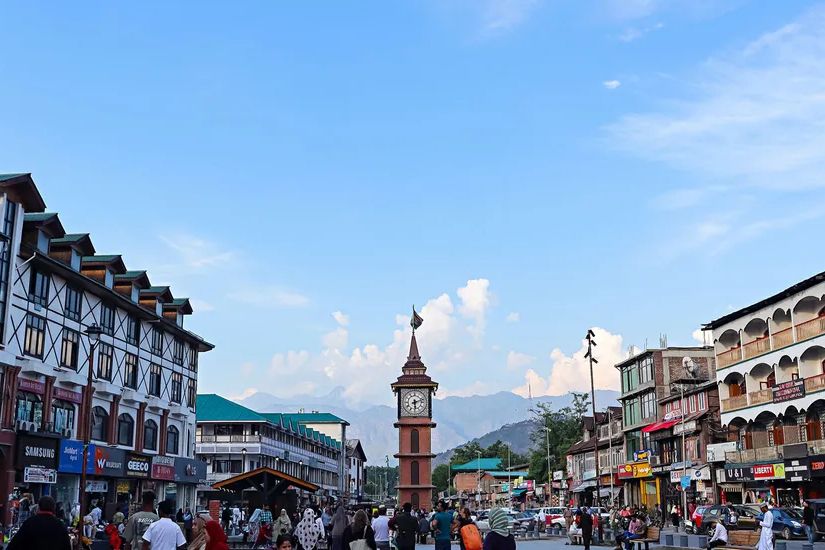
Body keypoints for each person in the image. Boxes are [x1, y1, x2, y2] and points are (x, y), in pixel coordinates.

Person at [6, 496, 71, 550]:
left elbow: (14, 545)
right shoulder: (60, 525)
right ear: (54, 508)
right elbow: (67, 546)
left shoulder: (29, 523)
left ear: (38, 507)